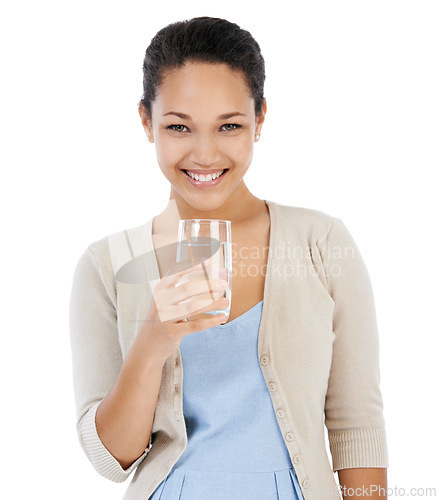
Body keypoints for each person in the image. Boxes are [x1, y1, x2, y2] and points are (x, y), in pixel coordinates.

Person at [69, 16, 389, 500]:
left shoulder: (321, 242)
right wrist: (153, 340)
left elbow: (357, 426)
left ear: (259, 120)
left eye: (229, 126)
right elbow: (113, 458)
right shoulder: (107, 265)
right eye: (178, 126)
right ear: (145, 121)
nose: (204, 153)